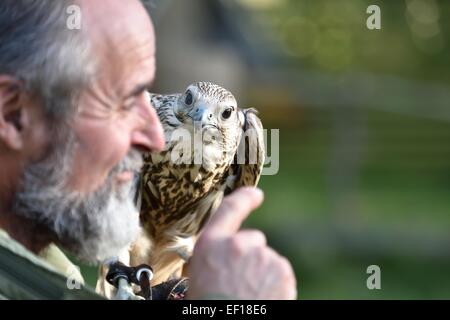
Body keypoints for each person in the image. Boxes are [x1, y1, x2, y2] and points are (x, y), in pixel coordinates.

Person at [0, 0, 296, 300]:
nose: (155, 137)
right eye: (125, 103)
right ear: (12, 113)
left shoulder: (45, 275)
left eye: (146, 96)